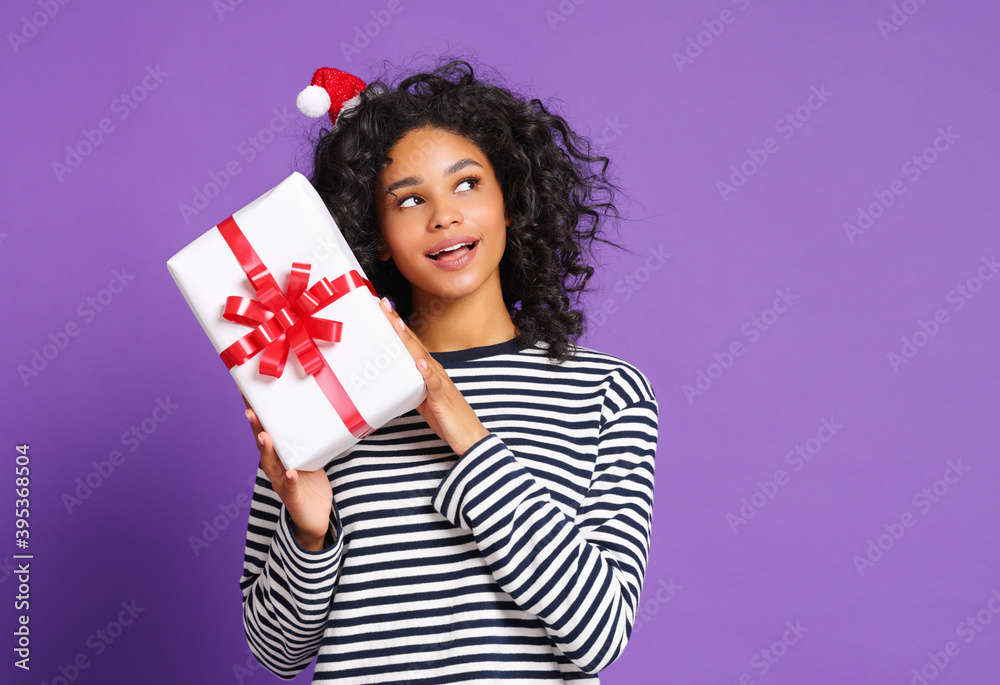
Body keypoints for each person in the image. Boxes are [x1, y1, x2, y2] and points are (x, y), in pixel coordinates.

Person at [239, 56, 659, 683]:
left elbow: (597, 634)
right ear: (374, 233)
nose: (444, 216)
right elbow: (276, 653)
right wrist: (308, 535)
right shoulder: (319, 388)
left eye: (466, 184)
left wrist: (463, 430)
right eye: (409, 199)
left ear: (511, 201)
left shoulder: (605, 391)